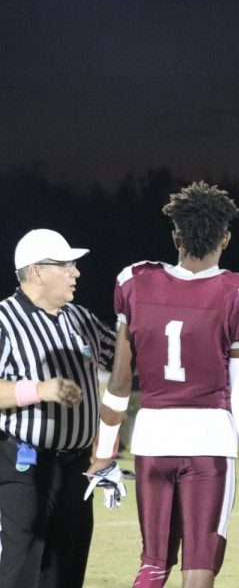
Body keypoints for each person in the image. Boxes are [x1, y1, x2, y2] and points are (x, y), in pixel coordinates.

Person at [88, 182, 239, 587]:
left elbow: (120, 381)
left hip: (153, 439)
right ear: (225, 237)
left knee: (153, 565)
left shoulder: (135, 280)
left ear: (175, 236)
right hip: (209, 442)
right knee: (198, 570)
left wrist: (104, 452)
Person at [0, 229, 115, 588]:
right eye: (65, 265)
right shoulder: (4, 320)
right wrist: (40, 389)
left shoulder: (81, 319)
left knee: (68, 565)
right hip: (26, 463)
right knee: (23, 564)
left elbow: (126, 360)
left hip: (77, 465)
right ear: (35, 271)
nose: (75, 272)